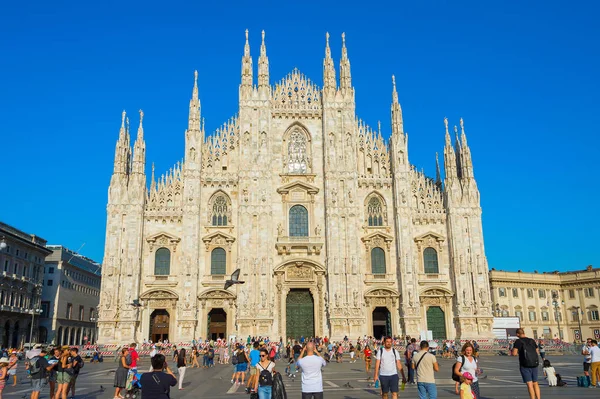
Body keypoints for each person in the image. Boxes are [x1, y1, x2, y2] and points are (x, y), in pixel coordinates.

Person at [512, 328, 541, 399]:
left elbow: (514, 353)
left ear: (517, 334)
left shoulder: (518, 341)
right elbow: (537, 351)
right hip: (534, 363)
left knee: (529, 383)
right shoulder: (532, 340)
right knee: (535, 382)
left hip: (525, 364)